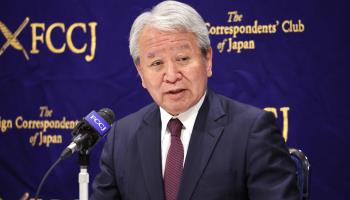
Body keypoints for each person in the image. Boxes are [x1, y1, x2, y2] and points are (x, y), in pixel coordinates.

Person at [90, 1, 300, 200]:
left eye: (182, 59)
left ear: (207, 60)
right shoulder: (122, 138)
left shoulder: (252, 131)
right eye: (156, 63)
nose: (171, 75)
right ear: (141, 73)